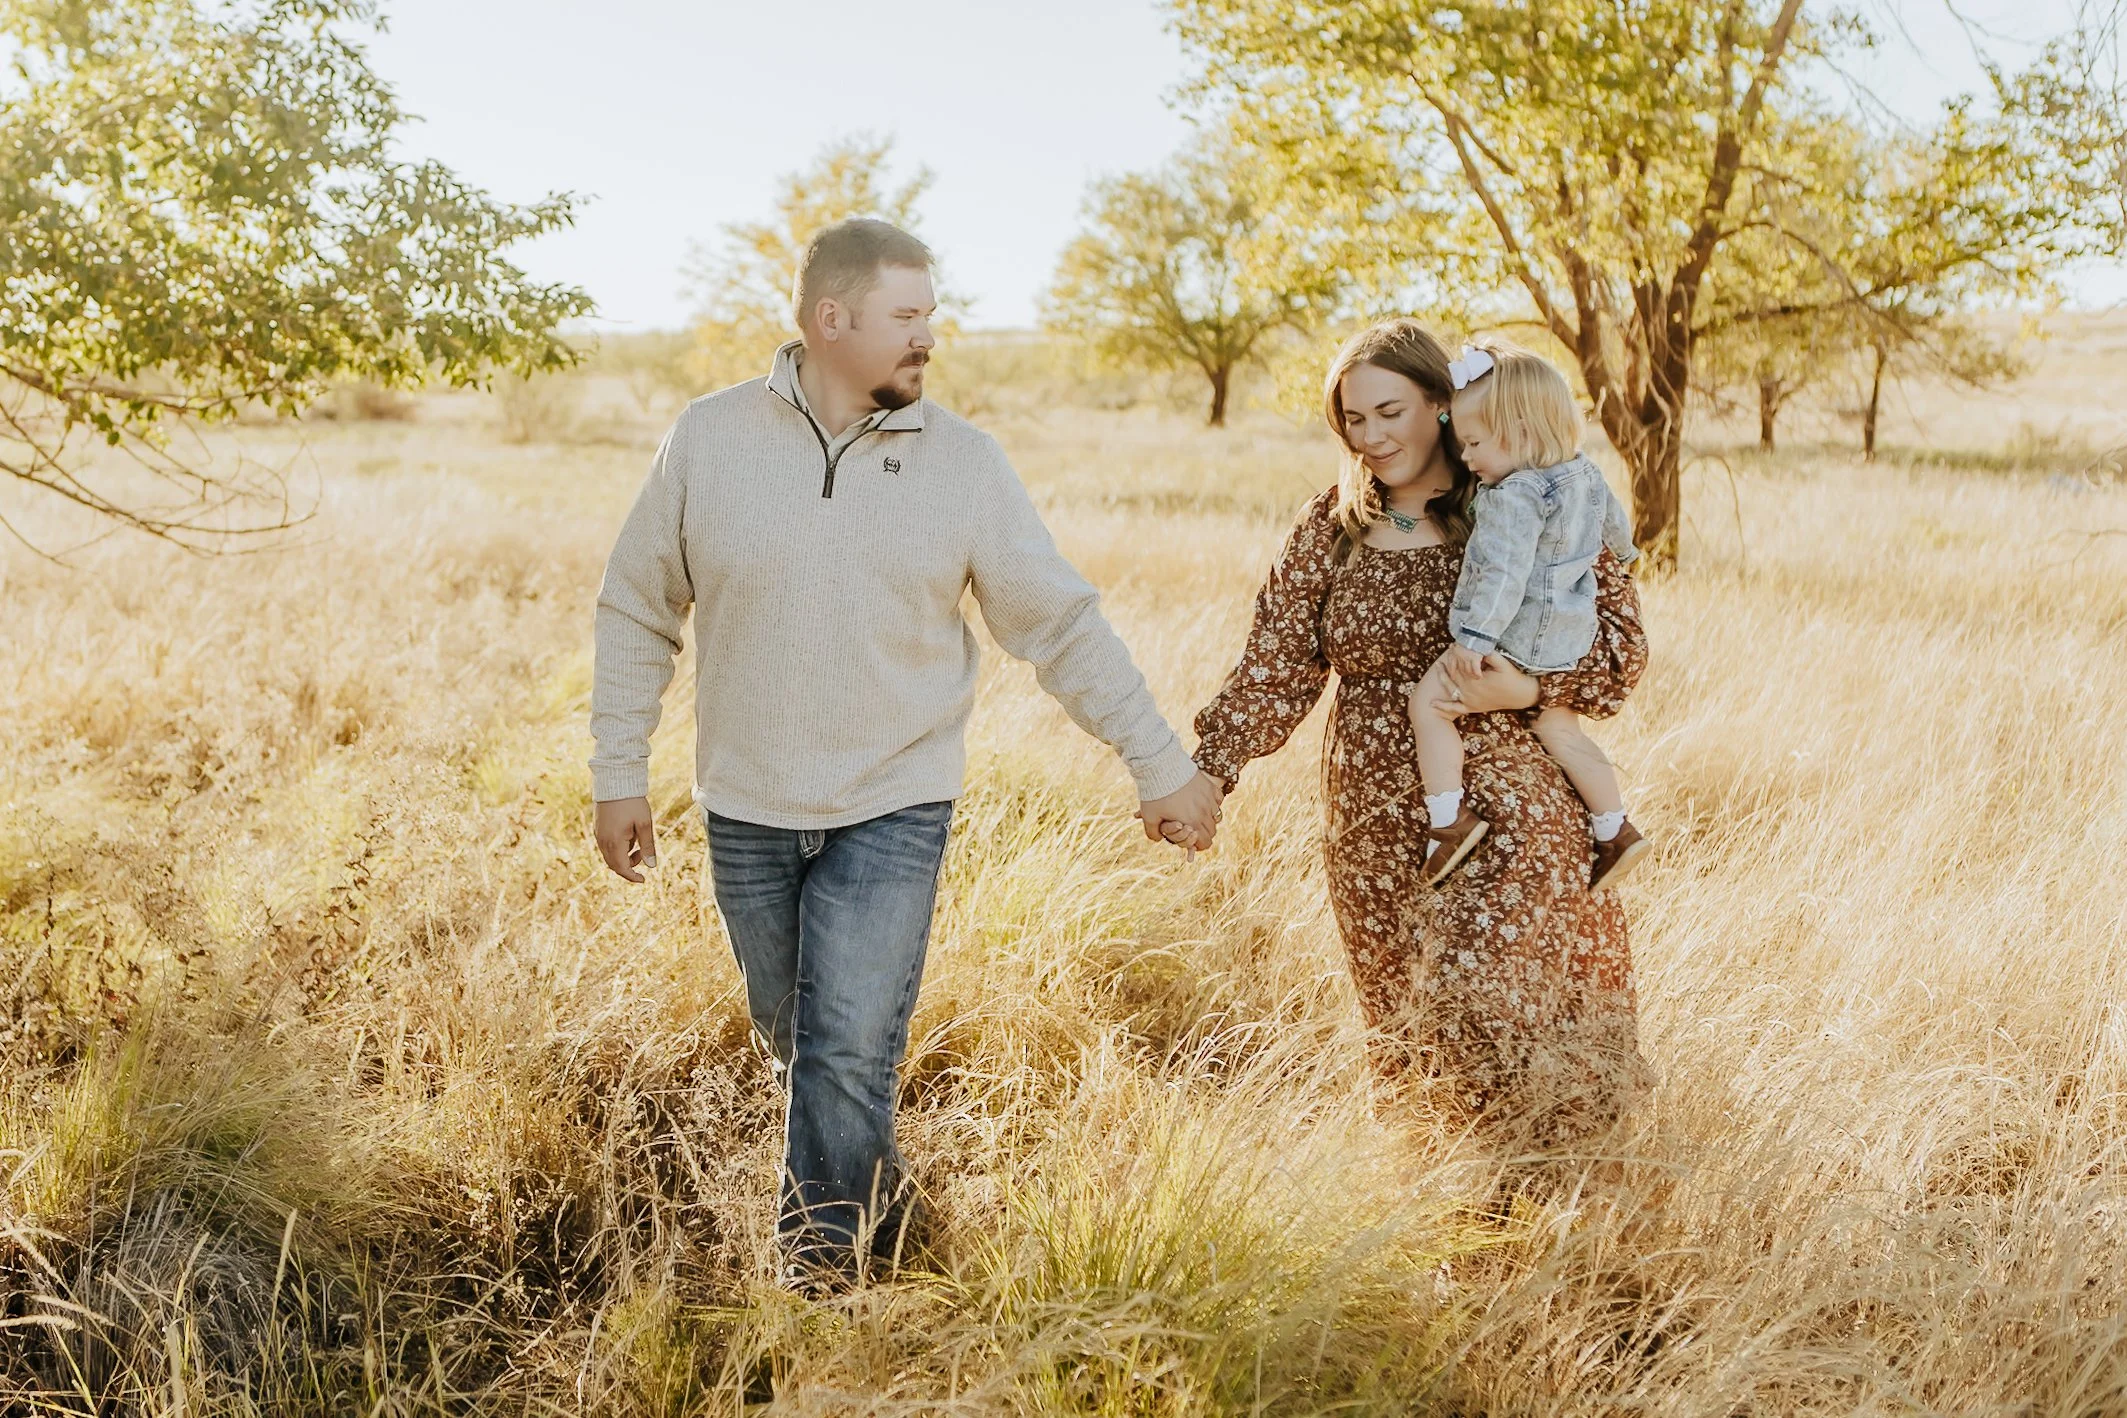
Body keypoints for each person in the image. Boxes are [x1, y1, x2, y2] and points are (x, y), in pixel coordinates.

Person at [587, 218, 1223, 1287]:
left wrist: (1157, 762)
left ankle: (820, 1293)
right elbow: (636, 607)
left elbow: (1058, 623)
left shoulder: (964, 464)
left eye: (931, 314)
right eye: (906, 316)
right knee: (805, 1049)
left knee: (842, 1053)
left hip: (894, 802)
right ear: (830, 321)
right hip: (746, 803)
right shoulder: (709, 440)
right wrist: (618, 773)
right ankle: (899, 1221)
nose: (929, 336)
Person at [1189, 317, 1650, 1145]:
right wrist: (1208, 771)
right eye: (1351, 420)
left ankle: (1565, 1208)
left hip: (1511, 809)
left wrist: (1531, 683)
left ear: (1442, 404)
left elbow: (1619, 653)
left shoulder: (1523, 498)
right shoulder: (1333, 525)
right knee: (1406, 1030)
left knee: (1483, 997)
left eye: (1388, 412)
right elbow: (1277, 665)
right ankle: (1449, 1228)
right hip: (1371, 827)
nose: (1369, 437)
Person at [1404, 338, 1649, 890]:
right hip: (1568, 639)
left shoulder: (1514, 496)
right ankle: (1614, 828)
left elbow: (1505, 573)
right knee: (1561, 729)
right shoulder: (1582, 472)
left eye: (1473, 443)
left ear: (1516, 432)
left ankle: (1448, 822)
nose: (1466, 457)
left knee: (1431, 704)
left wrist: (1474, 638)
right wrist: (1629, 557)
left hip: (1513, 635)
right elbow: (1615, 524)